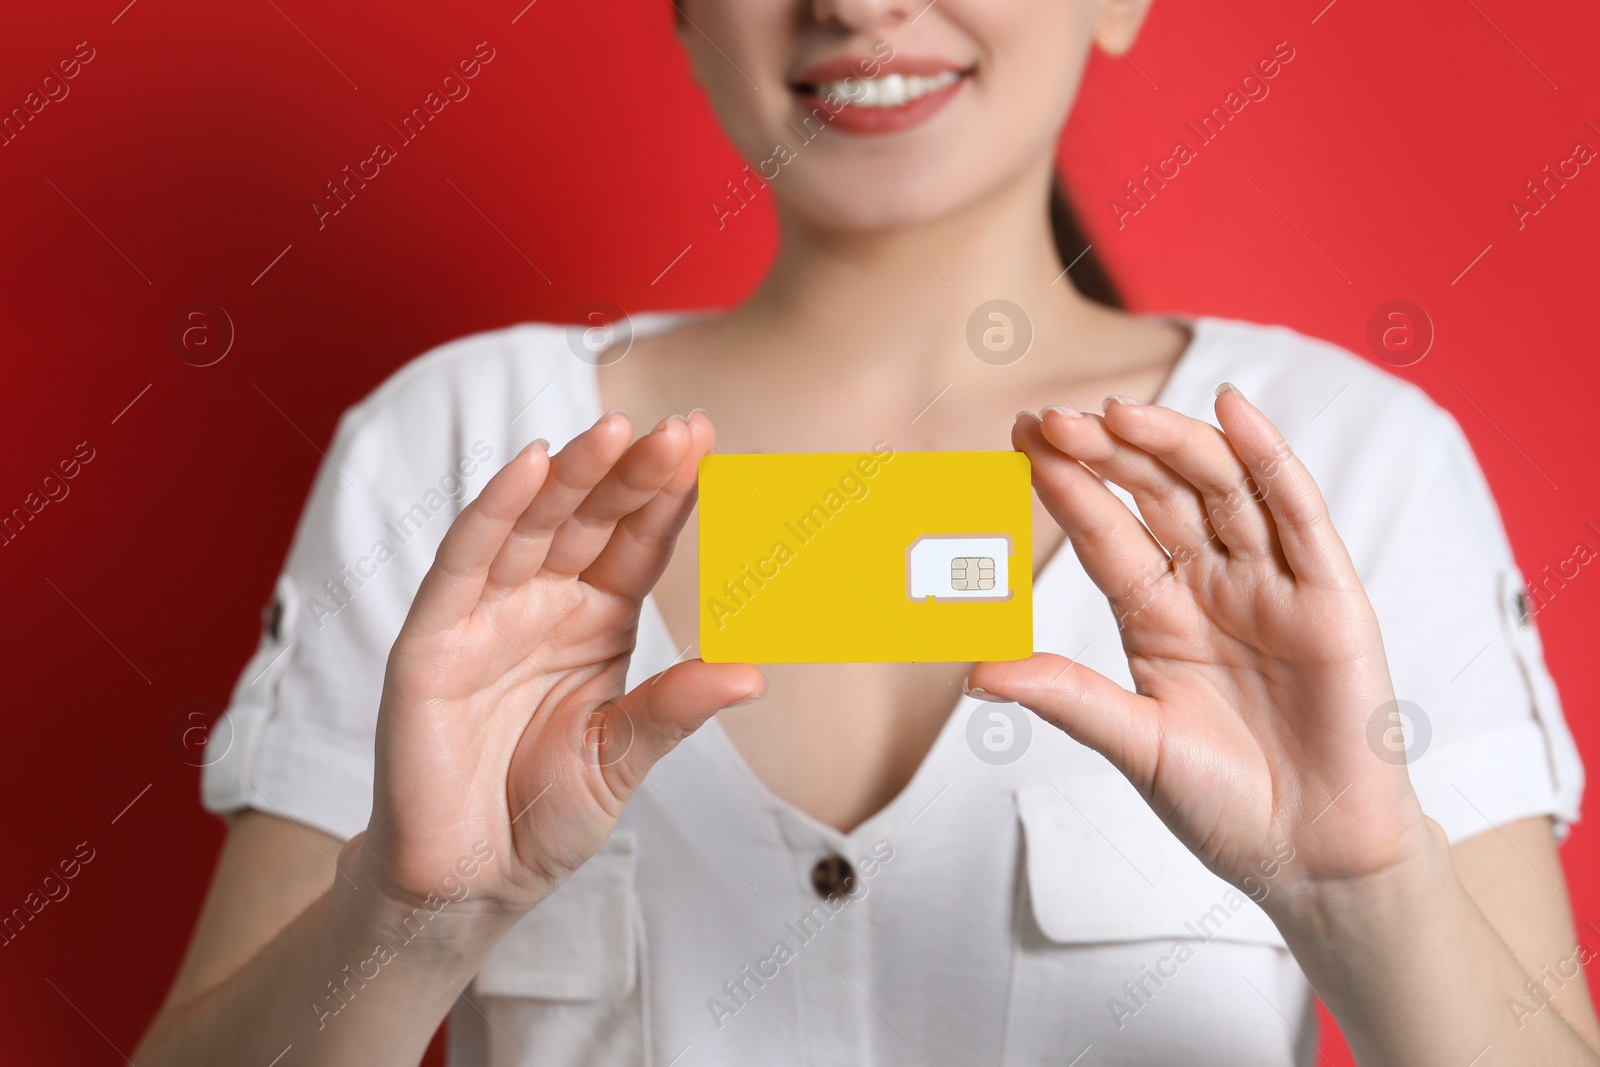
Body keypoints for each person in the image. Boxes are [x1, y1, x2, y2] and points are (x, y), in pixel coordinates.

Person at [136, 0, 1595, 1064]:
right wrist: (405, 926)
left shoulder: (1338, 464)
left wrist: (1367, 899)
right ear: (683, 14)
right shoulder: (460, 447)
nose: (856, 1)